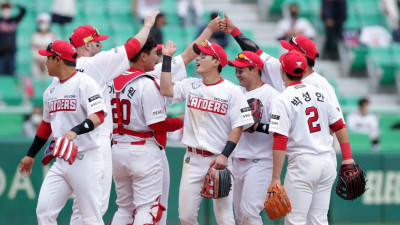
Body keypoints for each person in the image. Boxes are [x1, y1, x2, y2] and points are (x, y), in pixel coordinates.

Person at [67, 11, 160, 225]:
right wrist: (147, 25)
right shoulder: (93, 64)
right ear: (87, 45)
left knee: (81, 206)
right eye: (97, 43)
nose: (100, 47)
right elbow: (132, 48)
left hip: (74, 141)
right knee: (96, 205)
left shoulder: (66, 68)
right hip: (95, 140)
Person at [160, 40, 254, 225]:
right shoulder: (190, 84)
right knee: (185, 217)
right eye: (198, 55)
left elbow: (239, 125)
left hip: (219, 161)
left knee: (224, 217)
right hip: (192, 159)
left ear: (216, 61)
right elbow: (166, 89)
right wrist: (166, 59)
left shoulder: (232, 91)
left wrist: (225, 156)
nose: (198, 59)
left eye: (203, 56)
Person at [18, 40, 107, 224]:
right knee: (44, 211)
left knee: (90, 217)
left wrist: (75, 131)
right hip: (61, 161)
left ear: (58, 60)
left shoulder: (85, 83)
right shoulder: (50, 89)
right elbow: (45, 124)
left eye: (48, 58)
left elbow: (98, 116)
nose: (45, 62)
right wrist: (30, 154)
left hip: (85, 159)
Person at [268, 50, 359, 225]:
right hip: (326, 162)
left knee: (295, 220)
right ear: (303, 71)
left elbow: (280, 140)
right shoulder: (321, 93)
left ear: (282, 70)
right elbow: (339, 126)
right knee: (318, 220)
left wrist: (275, 178)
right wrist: (347, 158)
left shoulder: (282, 99)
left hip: (303, 164)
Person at [109, 36, 184, 225]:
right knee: (147, 208)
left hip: (117, 149)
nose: (156, 58)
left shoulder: (110, 80)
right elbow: (157, 124)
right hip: (143, 149)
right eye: (154, 54)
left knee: (124, 209)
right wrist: (182, 121)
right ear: (143, 56)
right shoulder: (147, 82)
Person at [220, 15, 344, 123]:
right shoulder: (281, 69)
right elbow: (257, 52)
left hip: (315, 147)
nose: (287, 52)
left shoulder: (320, 84)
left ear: (303, 57)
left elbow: (337, 122)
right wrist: (234, 31)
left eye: (291, 50)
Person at [228, 51, 279, 225]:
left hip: (261, 161)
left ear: (255, 70)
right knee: (241, 217)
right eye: (236, 70)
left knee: (250, 212)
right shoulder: (236, 93)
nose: (237, 74)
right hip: (238, 160)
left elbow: (282, 128)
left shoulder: (272, 95)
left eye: (241, 70)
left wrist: (257, 126)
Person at [0, 2, 26, 76]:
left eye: (8, 9)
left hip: (11, 54)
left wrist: (14, 4)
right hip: (1, 54)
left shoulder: (14, 20)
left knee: (10, 74)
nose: (6, 11)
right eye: (4, 9)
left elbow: (24, 11)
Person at [31, 13, 57, 80]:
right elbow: (32, 50)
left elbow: (54, 51)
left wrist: (46, 61)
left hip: (49, 63)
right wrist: (39, 61)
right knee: (36, 80)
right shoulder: (34, 35)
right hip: (36, 63)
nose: (43, 24)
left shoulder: (52, 35)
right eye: (41, 22)